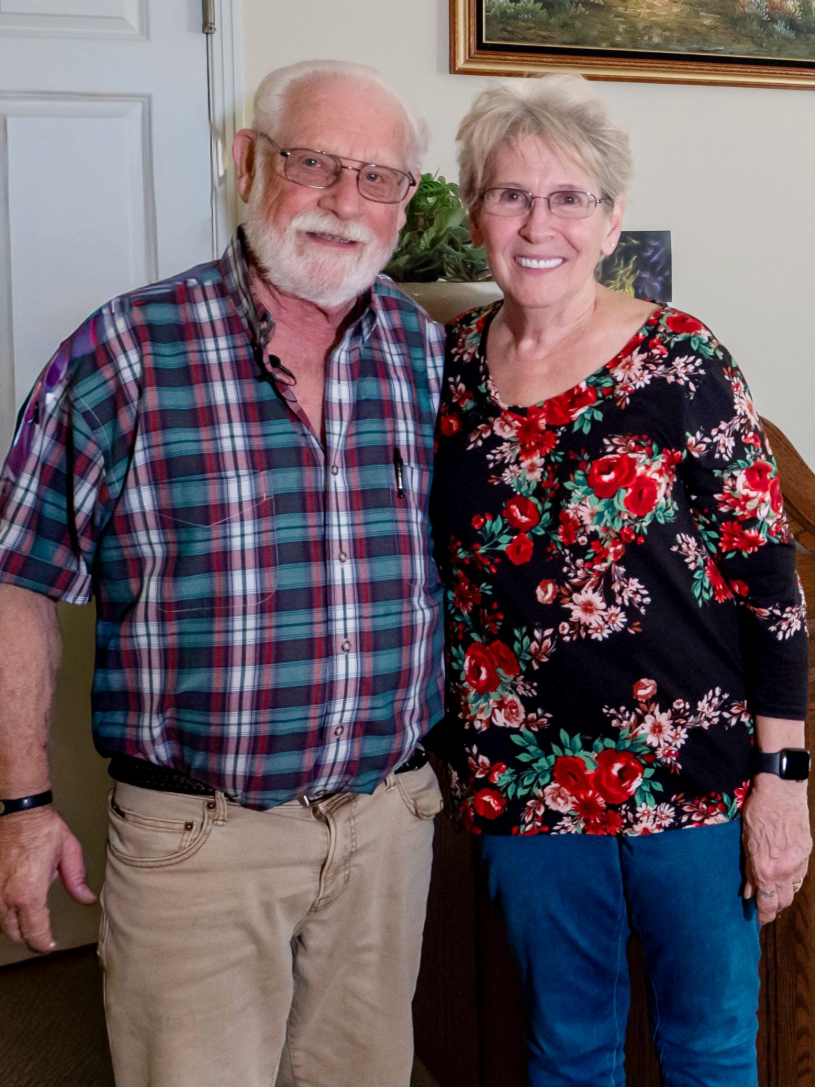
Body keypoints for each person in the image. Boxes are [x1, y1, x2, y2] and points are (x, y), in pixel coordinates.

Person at [0, 59, 445, 1087]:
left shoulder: (424, 358)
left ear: (403, 203)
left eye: (376, 178)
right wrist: (22, 809)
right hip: (197, 841)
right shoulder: (124, 351)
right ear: (248, 164)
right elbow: (18, 579)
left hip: (387, 828)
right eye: (314, 164)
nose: (344, 202)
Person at [430, 74, 811, 1087]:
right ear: (475, 213)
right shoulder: (445, 372)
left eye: (568, 198)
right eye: (510, 195)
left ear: (610, 221)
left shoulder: (680, 361)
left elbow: (769, 585)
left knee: (709, 1048)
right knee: (565, 1052)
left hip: (691, 776)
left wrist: (780, 783)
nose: (537, 223)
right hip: (523, 779)